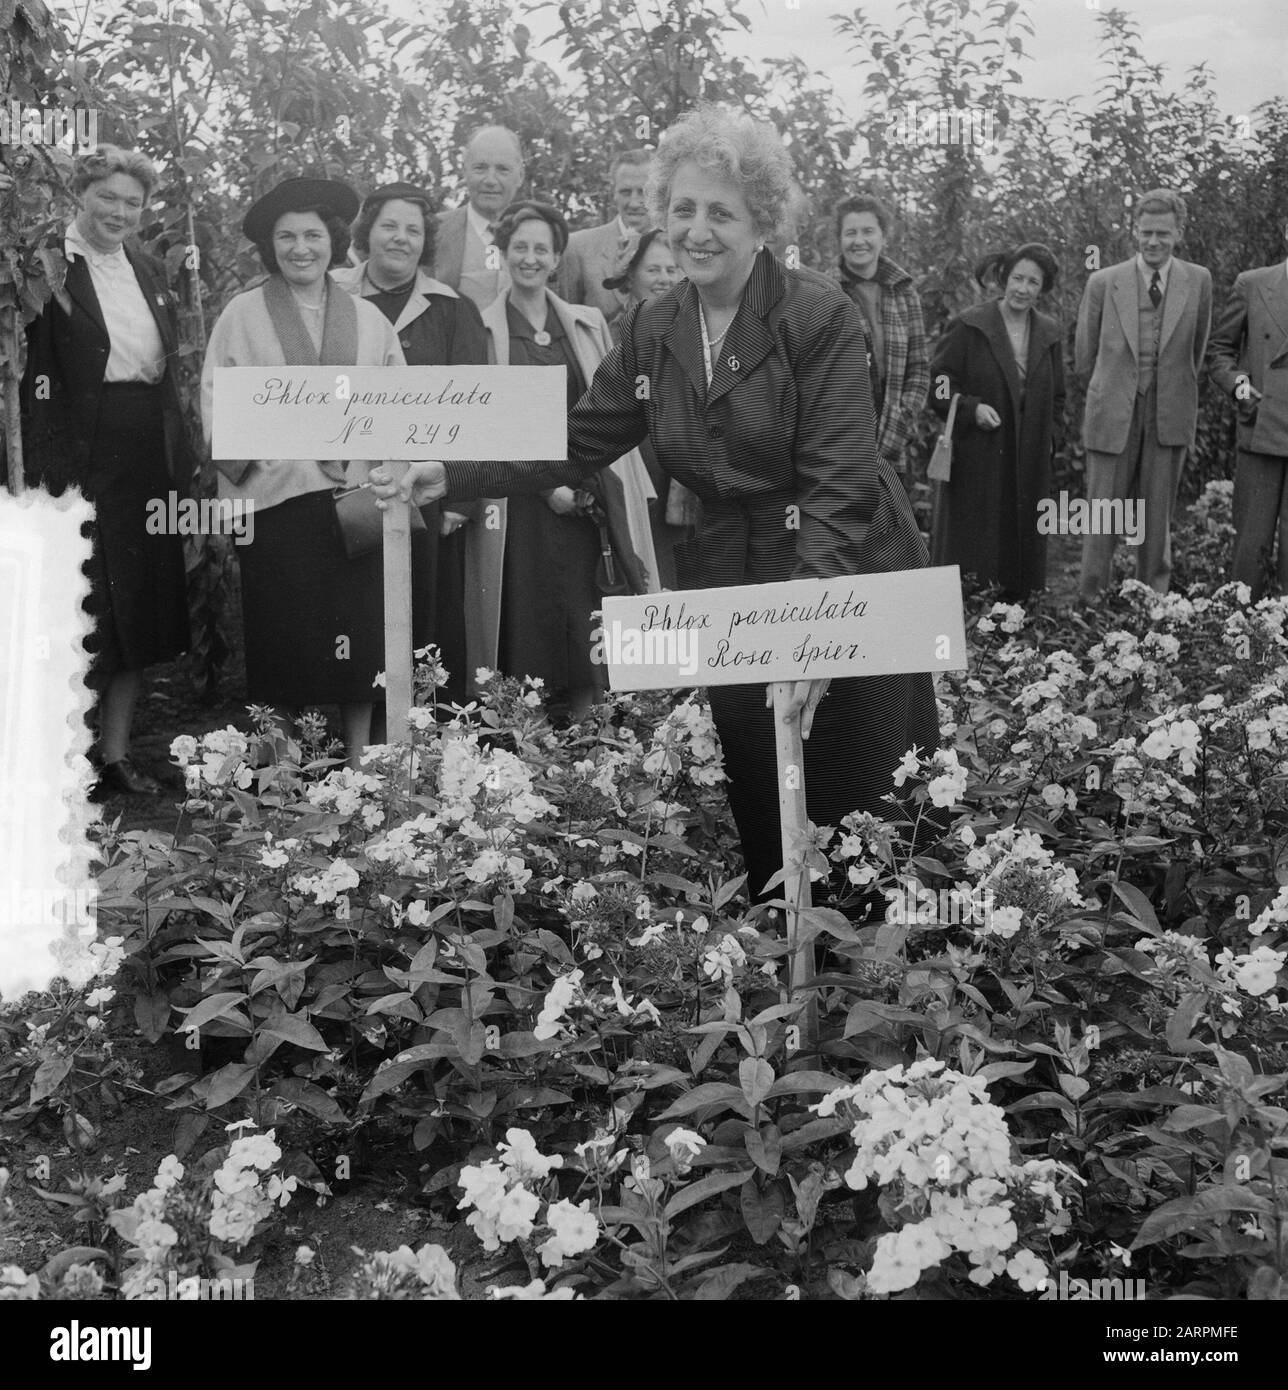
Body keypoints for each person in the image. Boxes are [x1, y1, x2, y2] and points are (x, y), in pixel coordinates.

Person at [374, 105, 940, 899]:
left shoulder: (818, 316)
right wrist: (452, 470)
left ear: (762, 221)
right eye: (682, 209)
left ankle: (891, 988)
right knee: (759, 780)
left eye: (721, 212)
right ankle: (791, 972)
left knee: (863, 793)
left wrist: (816, 626)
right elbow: (579, 438)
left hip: (842, 566)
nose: (697, 230)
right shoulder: (653, 322)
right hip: (735, 566)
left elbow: (840, 482)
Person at [200, 176, 405, 766]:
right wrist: (274, 447)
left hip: (354, 499)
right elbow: (217, 399)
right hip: (277, 499)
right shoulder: (242, 315)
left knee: (358, 635)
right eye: (286, 237)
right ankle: (284, 766)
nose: (300, 248)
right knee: (282, 636)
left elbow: (396, 401)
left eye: (312, 235)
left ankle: (362, 759)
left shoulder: (368, 320)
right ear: (271, 246)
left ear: (332, 240)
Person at [20, 143, 194, 796]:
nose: (120, 212)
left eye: (133, 201)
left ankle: (114, 755)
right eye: (107, 198)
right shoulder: (46, 265)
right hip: (71, 456)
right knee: (77, 601)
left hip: (145, 448)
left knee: (138, 606)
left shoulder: (149, 269)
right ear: (78, 197)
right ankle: (58, 759)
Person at [467, 199, 658, 719]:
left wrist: (578, 484)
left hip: (585, 490)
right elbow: (485, 420)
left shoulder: (586, 321)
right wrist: (546, 487)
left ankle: (590, 730)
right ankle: (526, 738)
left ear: (556, 258)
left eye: (542, 249)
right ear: (503, 253)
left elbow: (607, 407)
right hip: (518, 501)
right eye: (520, 247)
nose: (530, 258)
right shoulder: (482, 329)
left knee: (586, 610)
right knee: (527, 613)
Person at [332, 182, 489, 703]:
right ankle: (358, 740)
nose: (401, 238)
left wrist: (461, 500)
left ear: (426, 242)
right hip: (348, 484)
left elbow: (474, 405)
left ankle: (428, 735)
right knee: (354, 614)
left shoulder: (453, 308)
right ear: (366, 232)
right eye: (389, 226)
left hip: (427, 487)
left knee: (427, 613)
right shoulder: (334, 294)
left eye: (414, 230)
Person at [1076, 189, 1212, 599]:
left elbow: (1197, 350)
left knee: (1157, 516)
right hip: (1113, 410)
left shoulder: (1198, 280)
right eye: (1146, 232)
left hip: (1168, 410)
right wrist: (1116, 391)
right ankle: (1091, 601)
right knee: (1103, 514)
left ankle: (1153, 603)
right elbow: (1085, 355)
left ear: (1179, 234)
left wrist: (1164, 388)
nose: (1154, 242)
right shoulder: (1103, 281)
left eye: (1163, 234)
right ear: (1134, 231)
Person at [928, 243, 1066, 600]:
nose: (1023, 289)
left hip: (1029, 458)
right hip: (981, 455)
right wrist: (972, 409)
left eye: (1033, 283)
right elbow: (939, 386)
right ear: (1005, 279)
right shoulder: (969, 325)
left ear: (1042, 288)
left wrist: (1050, 438)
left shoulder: (1049, 334)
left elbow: (1060, 398)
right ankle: (972, 614)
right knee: (979, 538)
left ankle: (1017, 614)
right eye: (1018, 279)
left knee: (1021, 537)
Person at [1206, 220, 1288, 601]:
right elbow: (1219, 351)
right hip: (1261, 425)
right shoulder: (1253, 284)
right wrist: (1241, 386)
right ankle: (1241, 632)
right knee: (1249, 547)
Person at [603, 228, 686, 587]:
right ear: (632, 276)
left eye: (672, 270)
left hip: (686, 481)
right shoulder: (607, 334)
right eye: (653, 270)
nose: (664, 280)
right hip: (633, 470)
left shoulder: (698, 328)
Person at [832, 194, 930, 474]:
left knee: (890, 514)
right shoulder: (823, 291)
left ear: (883, 237)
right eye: (850, 232)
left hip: (892, 435)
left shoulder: (904, 291)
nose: (859, 240)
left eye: (868, 231)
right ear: (839, 239)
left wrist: (902, 419)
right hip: (839, 438)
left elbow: (920, 369)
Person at [431, 125, 525, 310]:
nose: (490, 180)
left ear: (520, 175)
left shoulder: (540, 235)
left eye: (503, 169)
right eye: (480, 168)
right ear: (464, 171)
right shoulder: (433, 231)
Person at [557, 148, 654, 325]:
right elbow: (565, 325)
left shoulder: (680, 248)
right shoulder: (577, 248)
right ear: (613, 194)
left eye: (643, 192)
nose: (634, 202)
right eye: (625, 192)